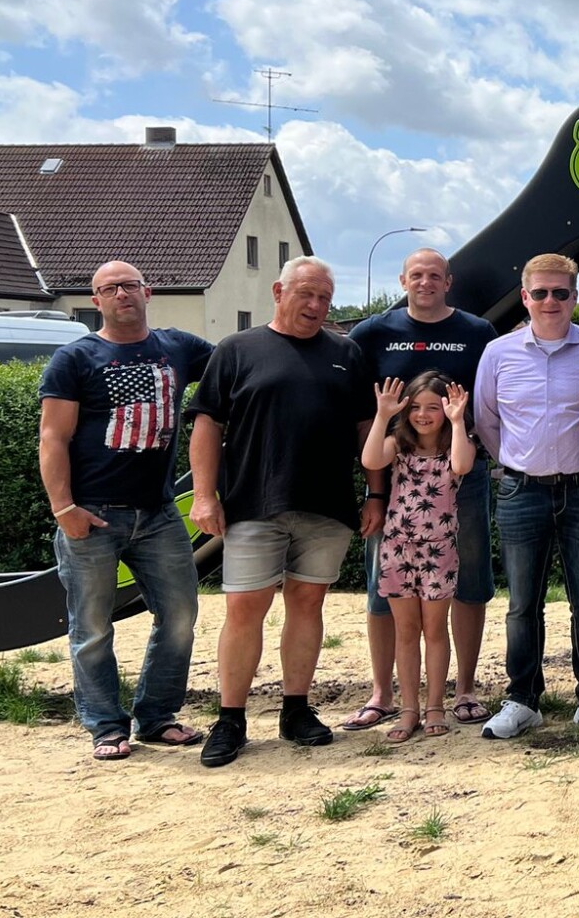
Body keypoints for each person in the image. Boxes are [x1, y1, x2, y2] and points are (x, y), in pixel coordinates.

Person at [189, 256, 376, 768]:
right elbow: (206, 426)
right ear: (279, 291)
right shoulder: (235, 351)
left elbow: (367, 430)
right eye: (306, 294)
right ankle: (230, 718)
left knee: (307, 605)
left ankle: (296, 710)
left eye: (324, 298)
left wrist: (375, 493)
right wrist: (205, 495)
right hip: (253, 503)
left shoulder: (346, 352)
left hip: (327, 505)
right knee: (244, 609)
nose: (316, 306)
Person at [38, 262, 213, 761]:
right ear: (96, 301)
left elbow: (237, 367)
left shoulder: (179, 347)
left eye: (129, 285)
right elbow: (53, 436)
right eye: (109, 289)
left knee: (180, 615)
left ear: (147, 292)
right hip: (91, 515)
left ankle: (157, 717)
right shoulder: (76, 358)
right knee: (91, 627)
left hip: (157, 514)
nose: (121, 294)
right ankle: (105, 726)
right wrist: (64, 507)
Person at [347, 248, 497, 728]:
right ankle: (382, 693)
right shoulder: (372, 333)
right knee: (383, 591)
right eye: (417, 275)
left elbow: (491, 403)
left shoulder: (476, 333)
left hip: (460, 478)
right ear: (403, 280)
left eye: (435, 275)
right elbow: (363, 417)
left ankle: (465, 689)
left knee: (469, 582)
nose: (426, 282)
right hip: (397, 486)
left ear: (449, 281)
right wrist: (374, 492)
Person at [472, 254, 579, 741]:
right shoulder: (498, 354)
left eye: (561, 292)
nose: (550, 301)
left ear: (575, 297)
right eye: (540, 293)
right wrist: (516, 462)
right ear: (525, 295)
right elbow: (487, 421)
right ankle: (522, 699)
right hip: (521, 489)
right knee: (521, 604)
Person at [359, 373, 475, 743]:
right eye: (416, 407)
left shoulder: (458, 443)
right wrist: (382, 416)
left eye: (433, 407)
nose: (423, 415)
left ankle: (436, 705)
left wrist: (457, 421)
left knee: (435, 631)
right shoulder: (398, 444)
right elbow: (370, 457)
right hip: (397, 549)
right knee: (406, 633)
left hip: (439, 551)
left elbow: (461, 466)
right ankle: (409, 709)